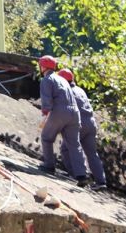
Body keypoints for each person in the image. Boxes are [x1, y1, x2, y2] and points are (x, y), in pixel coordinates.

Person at [37, 55, 90, 187]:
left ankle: (49, 165)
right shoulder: (63, 80)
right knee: (74, 144)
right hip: (74, 113)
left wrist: (45, 114)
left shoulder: (47, 80)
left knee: (46, 137)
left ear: (43, 66)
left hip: (59, 111)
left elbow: (47, 100)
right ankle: (82, 175)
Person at [58, 68, 107, 190]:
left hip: (79, 123)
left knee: (66, 148)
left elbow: (65, 109)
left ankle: (76, 175)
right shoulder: (80, 90)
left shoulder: (66, 91)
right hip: (91, 123)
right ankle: (101, 182)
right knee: (92, 153)